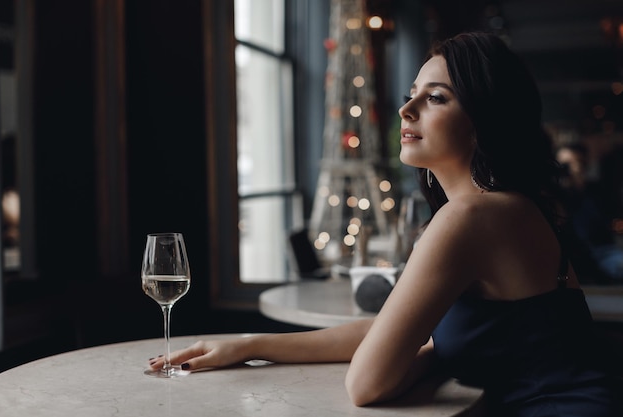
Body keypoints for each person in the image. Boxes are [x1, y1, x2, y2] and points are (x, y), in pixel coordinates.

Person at [149, 32, 622, 416]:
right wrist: (248, 345)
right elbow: (390, 329)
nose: (406, 111)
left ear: (484, 119)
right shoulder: (505, 207)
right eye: (410, 94)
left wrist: (423, 356)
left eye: (435, 98)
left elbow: (367, 383)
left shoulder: (471, 216)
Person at [556, 143, 623, 284]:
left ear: (584, 164)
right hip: (571, 255)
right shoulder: (555, 196)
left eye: (572, 163)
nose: (566, 169)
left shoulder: (598, 191)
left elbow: (607, 221)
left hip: (601, 251)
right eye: (562, 165)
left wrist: (579, 186)